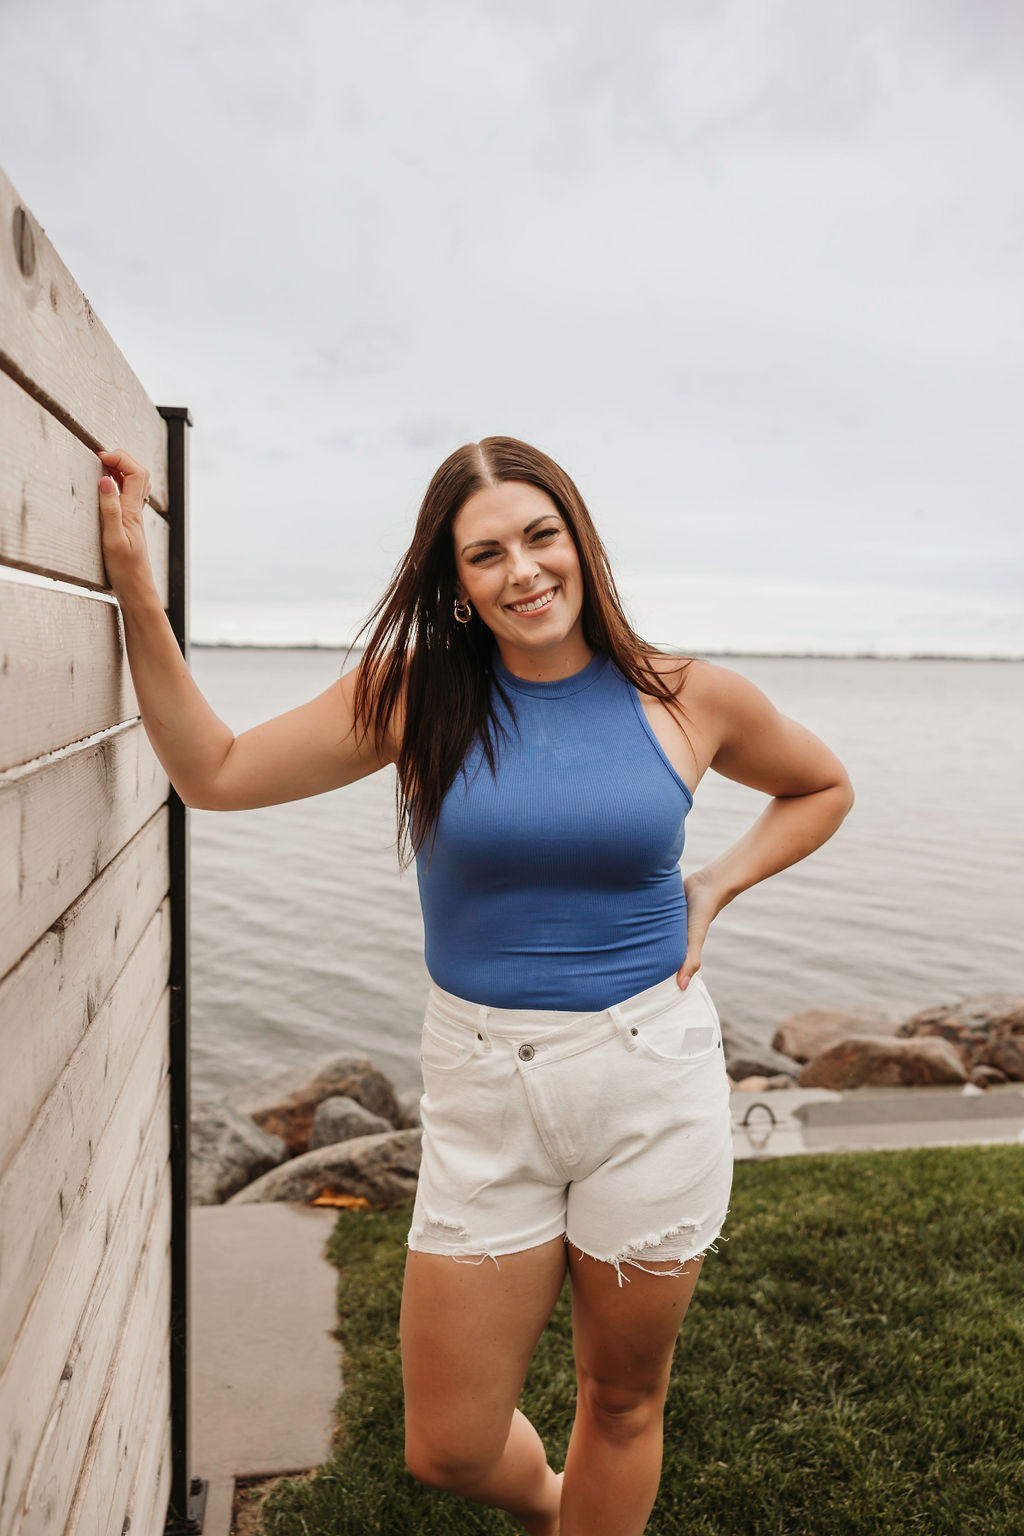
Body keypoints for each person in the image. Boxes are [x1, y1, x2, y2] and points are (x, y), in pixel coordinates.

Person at [96, 435, 854, 1536]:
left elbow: (821, 786)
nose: (523, 571)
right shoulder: (414, 698)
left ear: (580, 543)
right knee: (446, 1445)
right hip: (482, 1083)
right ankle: (557, 1507)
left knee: (623, 1398)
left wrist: (715, 886)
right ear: (456, 585)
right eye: (486, 553)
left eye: (541, 536)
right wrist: (136, 599)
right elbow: (211, 774)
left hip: (651, 1077)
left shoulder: (690, 697)